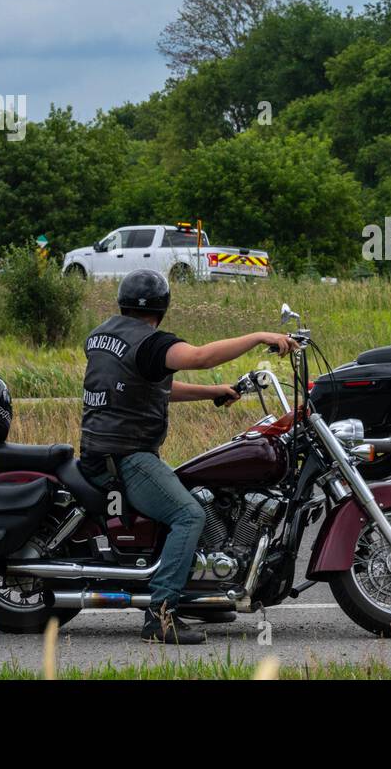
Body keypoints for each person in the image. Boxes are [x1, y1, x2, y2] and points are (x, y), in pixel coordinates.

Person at [79, 269, 298, 643]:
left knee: (193, 490)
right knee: (188, 513)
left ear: (122, 302)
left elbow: (151, 388)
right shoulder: (150, 343)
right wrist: (261, 335)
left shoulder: (103, 335)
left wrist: (211, 391)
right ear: (163, 308)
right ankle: (160, 617)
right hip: (126, 456)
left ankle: (198, 596)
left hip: (104, 449)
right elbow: (199, 356)